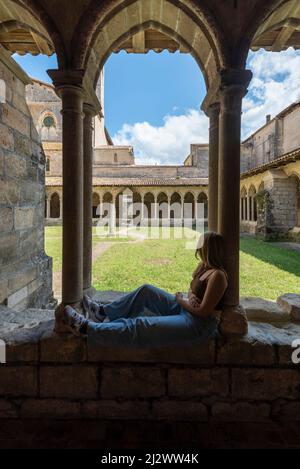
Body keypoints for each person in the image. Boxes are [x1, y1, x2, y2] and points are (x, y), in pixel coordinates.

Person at [59, 231, 228, 348]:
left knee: (141, 325)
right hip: (187, 310)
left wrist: (182, 301)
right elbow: (193, 289)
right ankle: (102, 312)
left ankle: (87, 328)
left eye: (201, 248)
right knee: (146, 290)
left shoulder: (218, 276)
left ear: (209, 249)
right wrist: (190, 297)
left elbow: (205, 312)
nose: (198, 251)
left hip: (198, 326)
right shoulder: (205, 267)